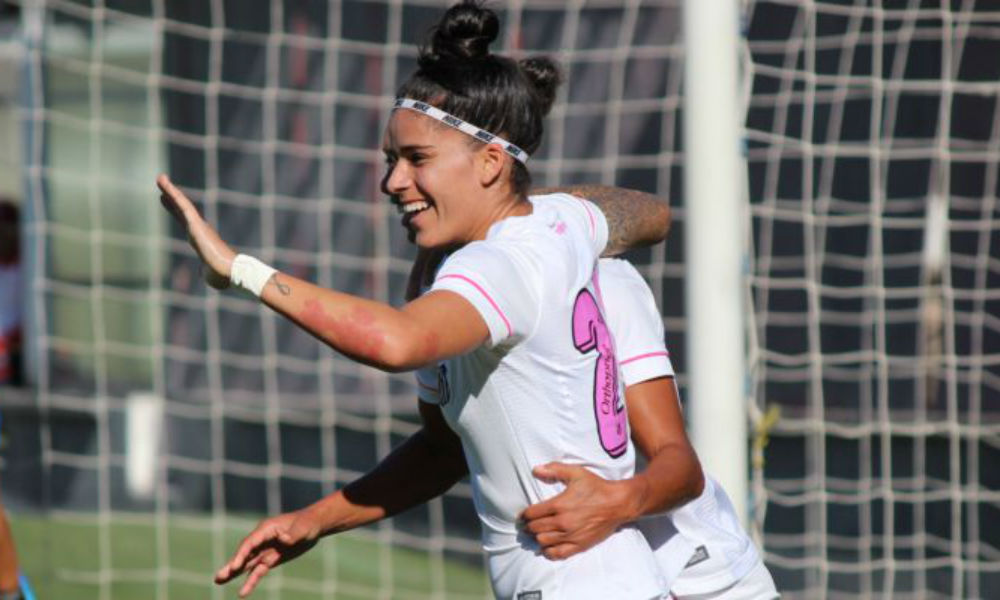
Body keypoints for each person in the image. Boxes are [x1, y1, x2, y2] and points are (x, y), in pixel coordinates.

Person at [160, 2, 674, 598]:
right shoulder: (558, 225)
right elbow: (652, 214)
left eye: (417, 159)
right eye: (390, 160)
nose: (392, 182)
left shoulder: (499, 263)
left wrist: (238, 268)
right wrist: (315, 521)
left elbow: (396, 342)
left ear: (490, 162)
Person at [521, 258, 779, 599]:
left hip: (703, 578)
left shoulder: (603, 280)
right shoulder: (450, 284)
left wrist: (612, 504)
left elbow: (682, 468)